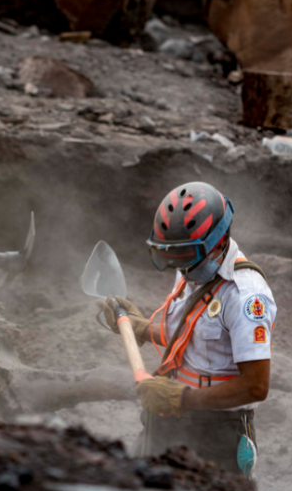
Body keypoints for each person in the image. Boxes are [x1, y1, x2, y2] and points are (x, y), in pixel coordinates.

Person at [100, 181, 274, 475]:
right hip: (170, 420)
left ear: (218, 242)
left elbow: (256, 386)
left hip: (215, 434)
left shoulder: (245, 296)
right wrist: (142, 328)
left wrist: (182, 398)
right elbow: (195, 338)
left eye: (185, 258)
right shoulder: (192, 267)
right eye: (172, 257)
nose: (179, 268)